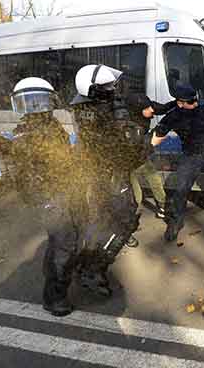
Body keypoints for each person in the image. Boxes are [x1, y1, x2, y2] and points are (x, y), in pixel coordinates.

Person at [0, 78, 86, 316]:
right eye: (28, 102)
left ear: (50, 102)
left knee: (62, 241)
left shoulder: (50, 124)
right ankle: (55, 298)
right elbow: (22, 149)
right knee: (64, 244)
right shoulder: (28, 131)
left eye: (38, 101)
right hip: (48, 194)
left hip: (60, 190)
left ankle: (56, 287)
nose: (34, 107)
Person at [70, 64, 147, 297]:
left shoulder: (82, 107)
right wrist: (144, 145)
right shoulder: (111, 113)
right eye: (107, 86)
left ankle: (84, 262)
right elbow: (131, 151)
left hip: (95, 172)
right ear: (95, 90)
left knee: (99, 218)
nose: (113, 88)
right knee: (124, 221)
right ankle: (92, 270)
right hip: (111, 172)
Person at [149, 85, 204, 241]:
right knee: (180, 188)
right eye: (190, 102)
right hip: (190, 156)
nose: (195, 103)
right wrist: (145, 147)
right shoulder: (174, 115)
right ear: (181, 103)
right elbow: (158, 134)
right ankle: (176, 222)